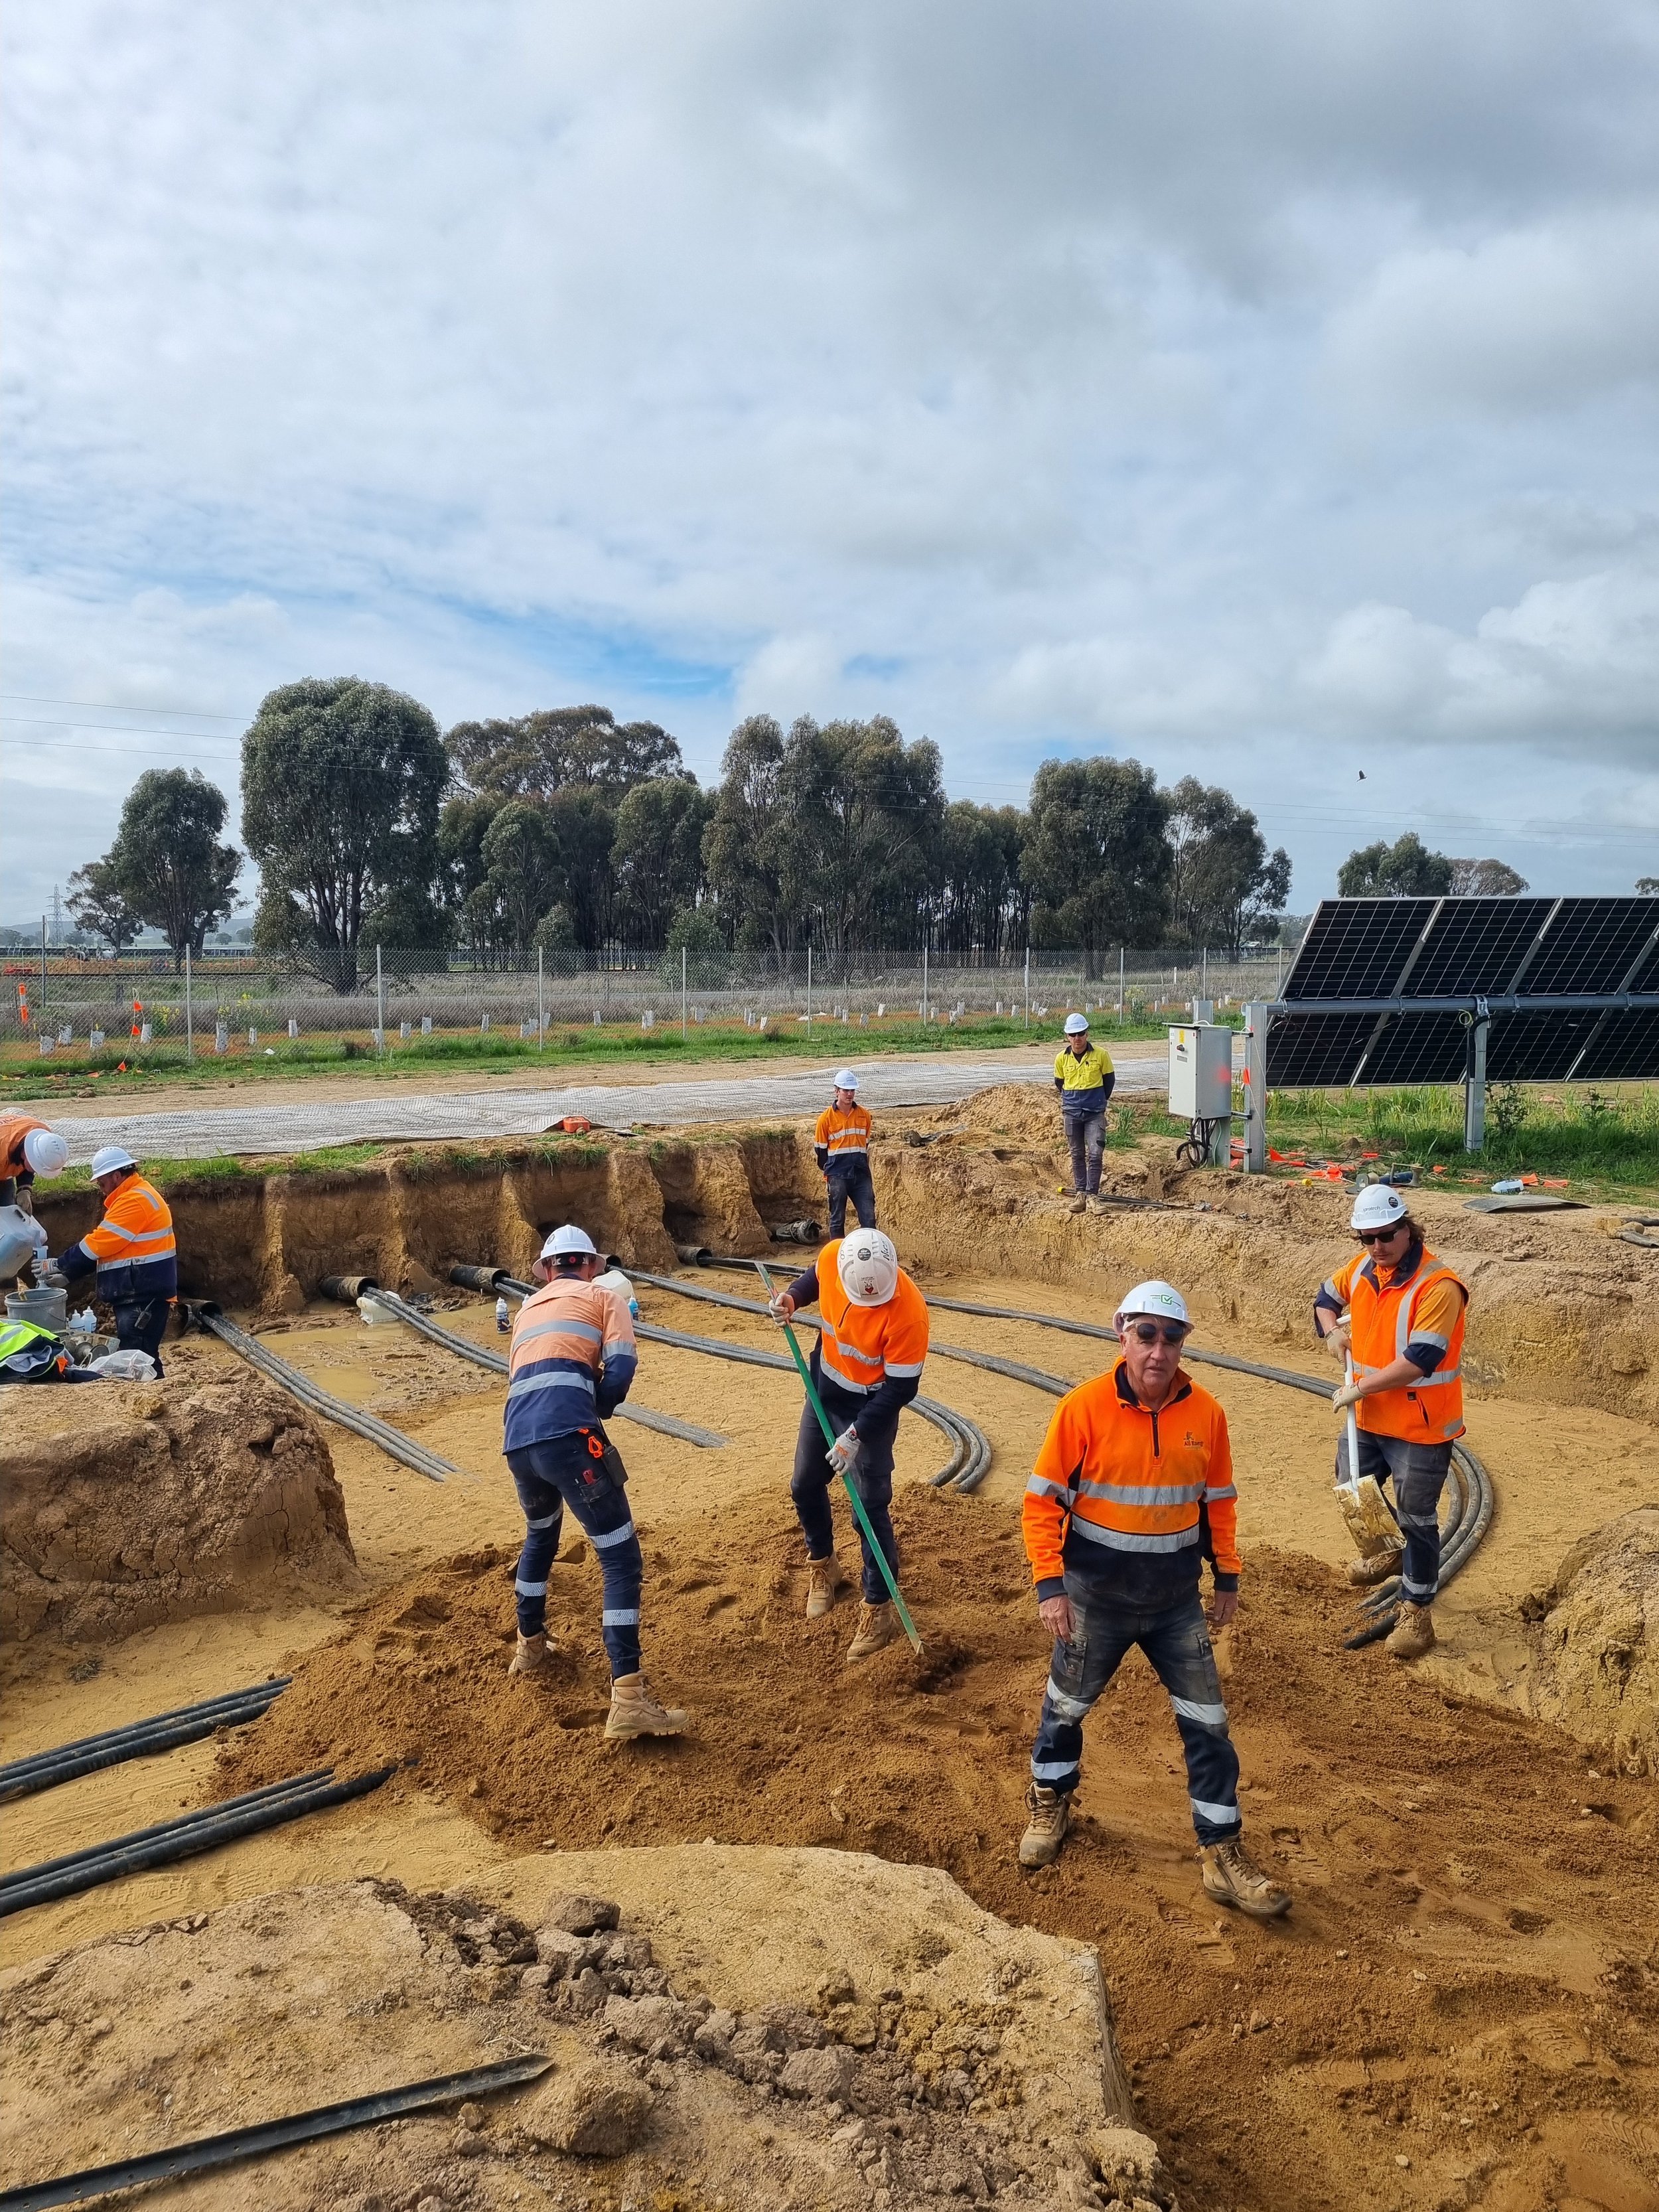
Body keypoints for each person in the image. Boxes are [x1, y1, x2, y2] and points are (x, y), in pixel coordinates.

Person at [1018, 1278, 1290, 1919]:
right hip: (1095, 1599)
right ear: (1123, 1334)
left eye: (1171, 1337)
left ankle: (1222, 1851)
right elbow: (1041, 1501)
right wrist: (1050, 1585)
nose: (1158, 1350)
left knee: (1209, 1726)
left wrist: (1227, 1575)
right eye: (1146, 1334)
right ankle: (1050, 1800)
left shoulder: (1209, 1416)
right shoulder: (1082, 1409)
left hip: (1174, 1603)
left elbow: (1218, 1501)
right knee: (1065, 1706)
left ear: (1182, 1344)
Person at [503, 1222, 687, 1740]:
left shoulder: (527, 1309)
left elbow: (523, 1377)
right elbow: (623, 1365)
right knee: (620, 1555)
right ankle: (628, 1697)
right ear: (589, 1264)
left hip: (519, 1440)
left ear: (548, 1269)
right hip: (570, 1437)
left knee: (541, 1532)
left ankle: (530, 1645)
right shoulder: (602, 1296)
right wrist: (599, 1407)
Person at [1316, 1184, 1469, 1662]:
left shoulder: (1438, 1286)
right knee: (1351, 1486)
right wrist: (1332, 1331)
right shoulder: (1363, 1269)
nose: (1376, 1246)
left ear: (1408, 1229)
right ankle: (1386, 1550)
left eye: (1385, 1235)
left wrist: (1360, 1388)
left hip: (1420, 1425)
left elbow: (1421, 1358)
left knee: (1418, 1517)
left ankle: (1416, 1611)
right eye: (1366, 1237)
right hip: (1370, 1416)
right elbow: (1324, 1297)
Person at [769, 1227, 928, 1662]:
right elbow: (814, 1279)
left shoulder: (908, 1312)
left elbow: (899, 1391)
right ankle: (824, 1567)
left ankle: (878, 1607)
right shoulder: (835, 1257)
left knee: (868, 1508)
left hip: (871, 1412)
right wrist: (791, 1299)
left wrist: (855, 1436)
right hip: (824, 1393)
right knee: (804, 1483)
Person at [50, 1145, 177, 1376]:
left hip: (141, 1294)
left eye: (102, 1183)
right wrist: (69, 1275)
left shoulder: (133, 1201)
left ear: (116, 1176)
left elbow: (100, 1243)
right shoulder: (136, 1194)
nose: (101, 1189)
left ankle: (153, 1400)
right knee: (142, 1355)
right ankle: (154, 1394)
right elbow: (111, 1249)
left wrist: (60, 1264)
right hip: (141, 1291)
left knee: (139, 1356)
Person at [1053, 1014, 1116, 1215]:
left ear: (1087, 1033)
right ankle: (1081, 1194)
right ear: (1067, 1036)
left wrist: (1098, 1101)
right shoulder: (1061, 1059)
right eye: (1073, 1034)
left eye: (1081, 1033)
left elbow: (1109, 1082)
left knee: (1095, 1155)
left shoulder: (1101, 1055)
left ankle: (1093, 1196)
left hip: (1094, 1114)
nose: (1077, 1038)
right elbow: (1059, 1083)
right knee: (1077, 1154)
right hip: (1072, 1113)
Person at [815, 1071, 876, 1238]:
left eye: (852, 1090)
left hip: (860, 1173)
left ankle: (868, 1255)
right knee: (837, 1218)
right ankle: (837, 1257)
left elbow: (865, 1143)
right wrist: (830, 1172)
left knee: (869, 1219)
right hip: (837, 1174)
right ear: (837, 1091)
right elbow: (821, 1152)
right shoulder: (825, 1119)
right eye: (845, 1090)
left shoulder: (864, 1115)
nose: (850, 1094)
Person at [0, 1116, 70, 1213]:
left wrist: (24, 1188)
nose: (35, 1171)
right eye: (35, 1167)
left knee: (7, 1210)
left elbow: (25, 1162)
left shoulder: (42, 1136)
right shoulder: (2, 1155)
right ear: (28, 1154)